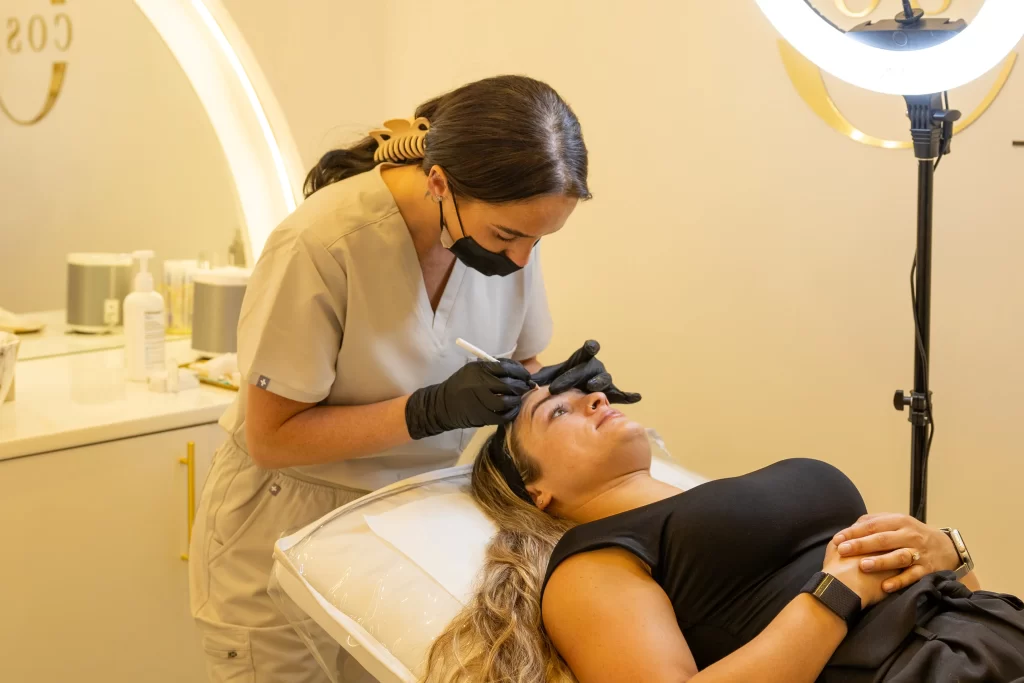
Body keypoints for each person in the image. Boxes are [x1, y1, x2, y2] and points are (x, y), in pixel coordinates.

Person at [187, 75, 640, 683]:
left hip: (411, 518)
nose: (523, 258)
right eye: (509, 235)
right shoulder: (320, 245)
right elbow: (273, 438)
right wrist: (427, 411)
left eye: (540, 237)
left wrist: (552, 388)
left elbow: (523, 358)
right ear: (438, 183)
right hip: (284, 517)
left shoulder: (507, 233)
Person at [424, 382, 1024, 682]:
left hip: (992, 632)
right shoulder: (591, 565)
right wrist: (834, 597)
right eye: (557, 412)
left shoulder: (707, 501)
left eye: (586, 393)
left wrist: (949, 550)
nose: (594, 398)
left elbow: (943, 590)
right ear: (537, 491)